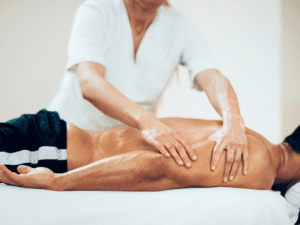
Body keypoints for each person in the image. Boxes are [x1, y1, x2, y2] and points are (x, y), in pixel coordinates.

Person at [48, 0, 248, 182]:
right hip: (66, 136)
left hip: (118, 148)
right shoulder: (97, 11)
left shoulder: (181, 28)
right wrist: (148, 122)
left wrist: (234, 119)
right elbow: (90, 83)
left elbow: (212, 78)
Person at [0, 109, 299, 193]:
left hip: (50, 138)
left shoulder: (251, 138)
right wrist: (58, 182)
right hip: (48, 151)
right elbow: (159, 168)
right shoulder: (259, 164)